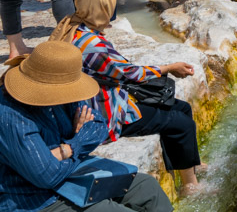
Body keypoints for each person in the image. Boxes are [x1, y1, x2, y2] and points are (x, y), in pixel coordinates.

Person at [50, 0, 202, 198]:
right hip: (102, 113)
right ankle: (191, 186)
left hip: (105, 97)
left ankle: (192, 163)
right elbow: (128, 73)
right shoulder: (91, 43)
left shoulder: (73, 25)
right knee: (181, 124)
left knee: (182, 108)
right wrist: (168, 68)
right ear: (103, 8)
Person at [0, 40, 173, 212]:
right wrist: (73, 145)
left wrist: (66, 150)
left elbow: (98, 126)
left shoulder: (63, 92)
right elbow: (46, 175)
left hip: (70, 175)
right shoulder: (11, 115)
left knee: (147, 188)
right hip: (32, 198)